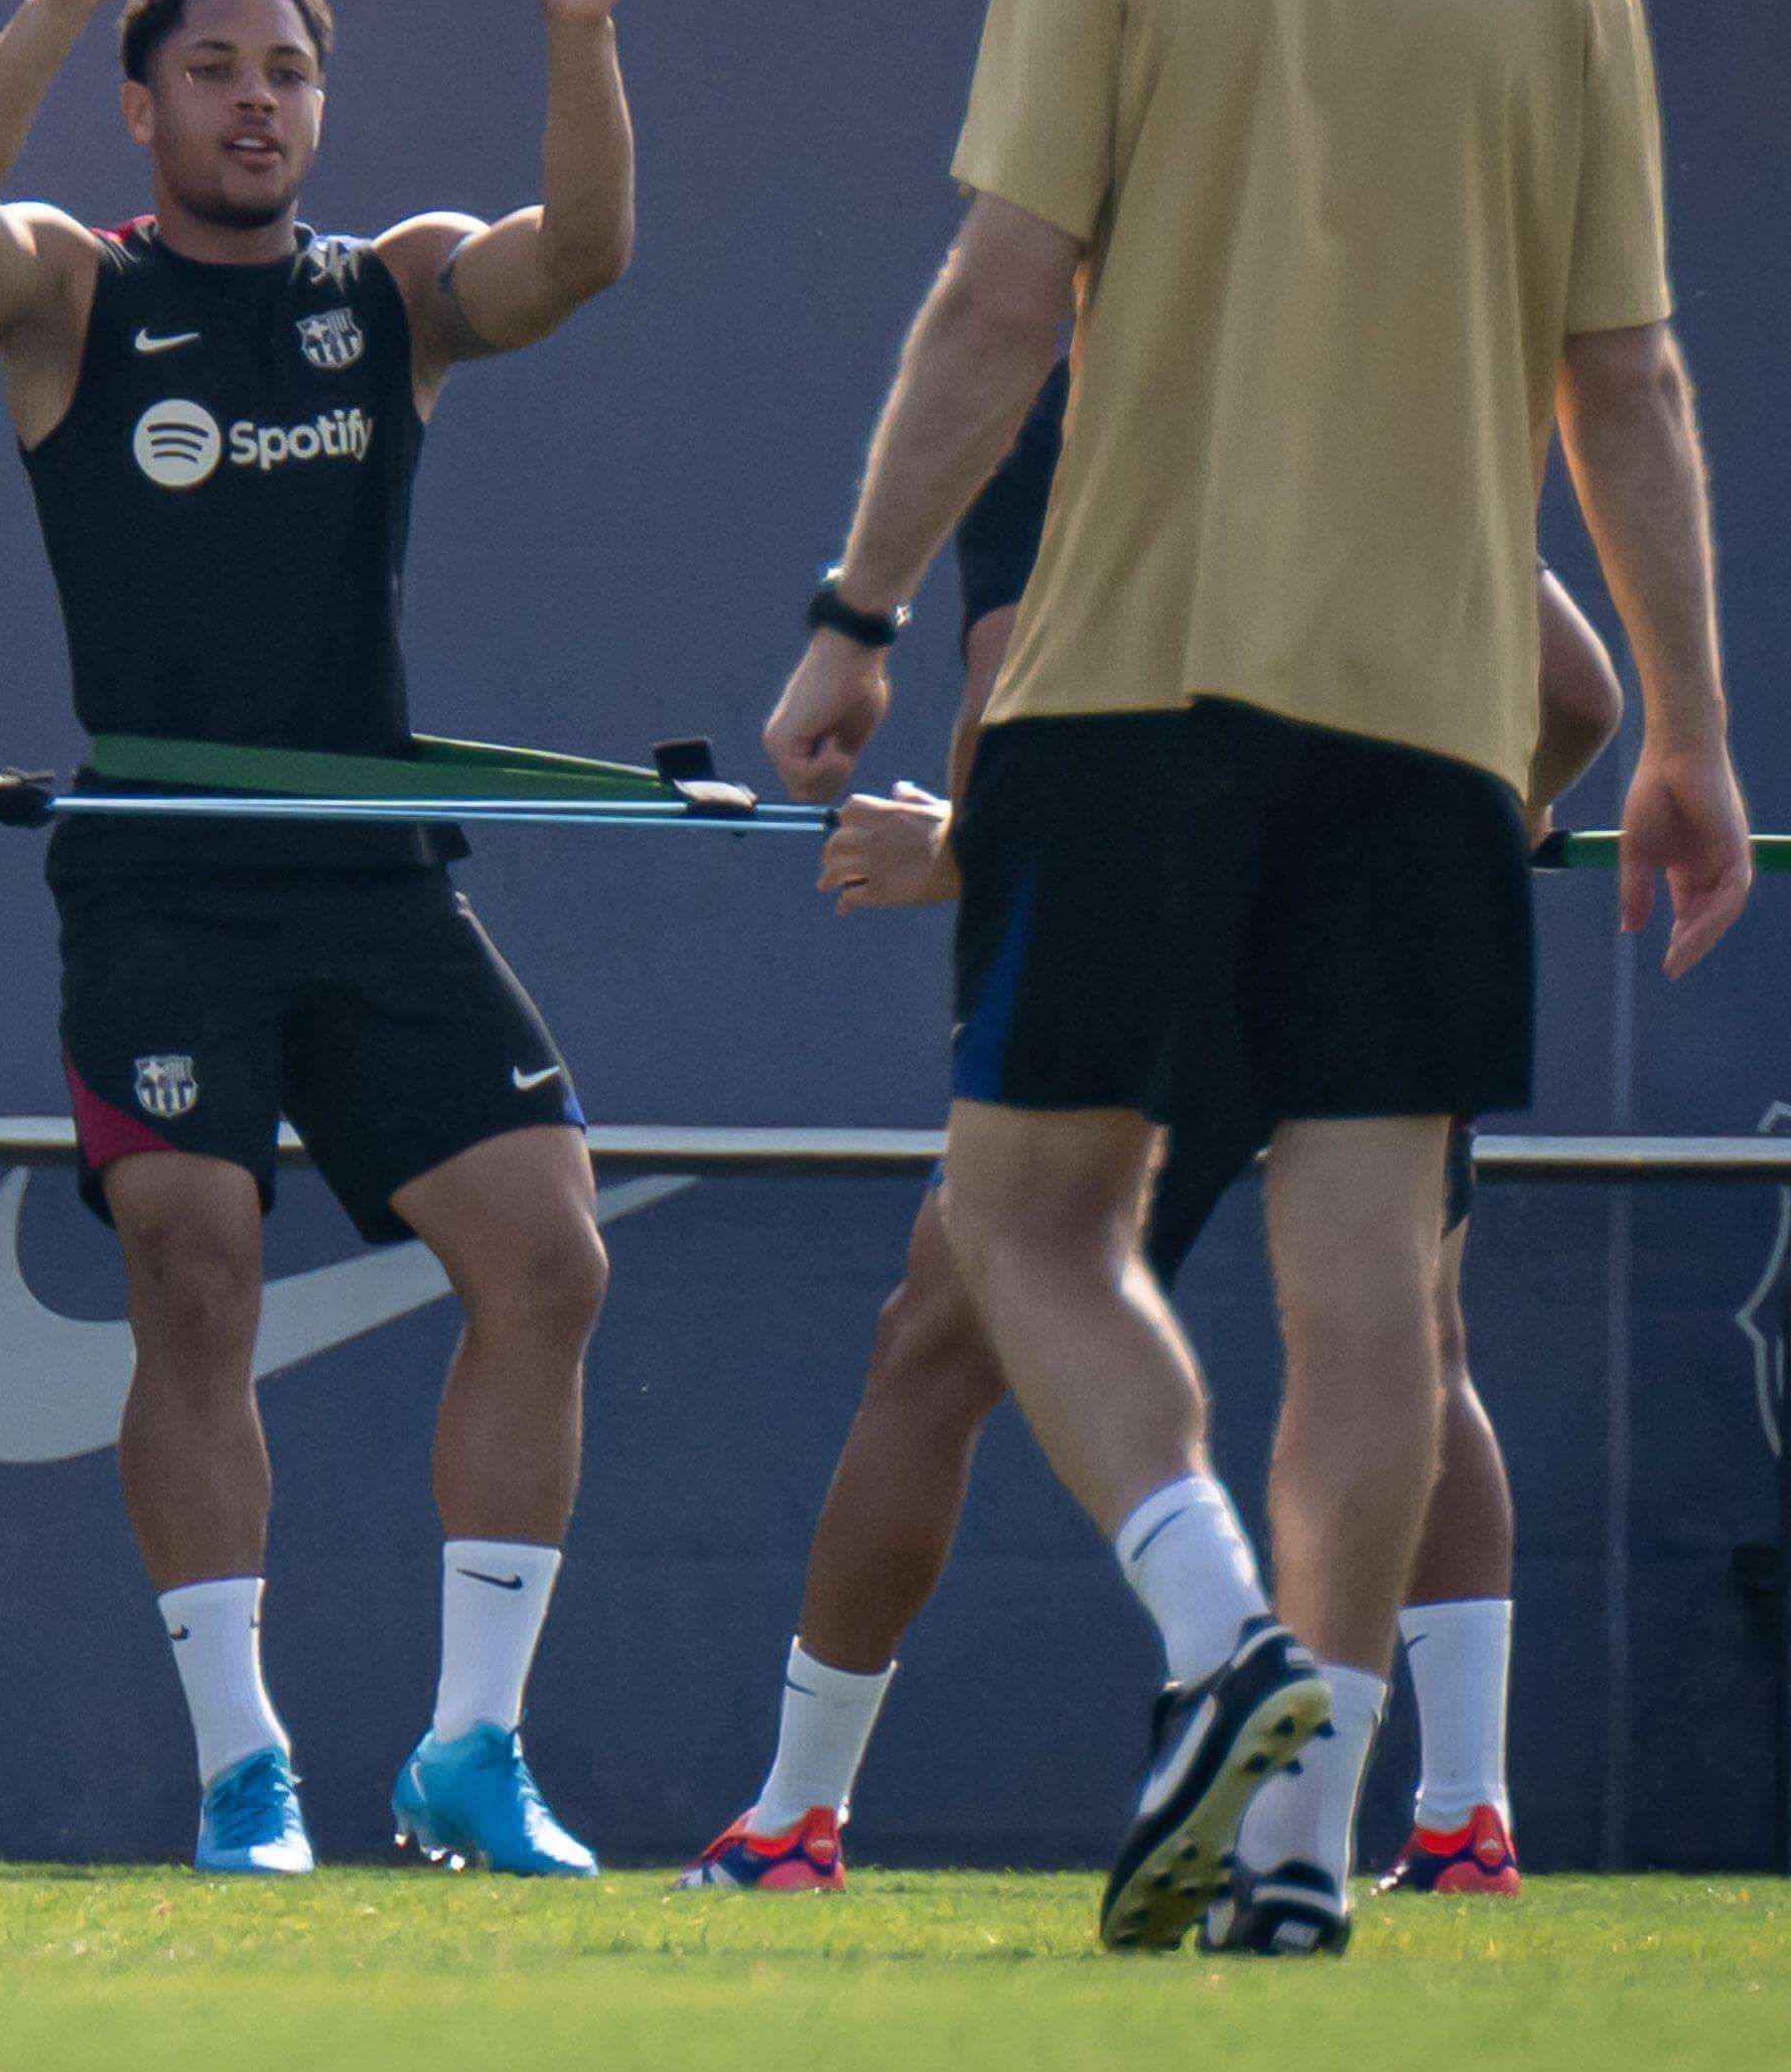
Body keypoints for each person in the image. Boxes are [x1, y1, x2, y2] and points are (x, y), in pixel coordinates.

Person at [756, 0, 1752, 1955]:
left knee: (1022, 1226)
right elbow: (1622, 384)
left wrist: (853, 614)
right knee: (1368, 1295)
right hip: (1424, 737)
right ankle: (1296, 1851)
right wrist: (1690, 737)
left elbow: (996, 298)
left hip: (1124, 701)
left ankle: (1216, 1640)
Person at [0, 0, 633, 1877]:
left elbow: (580, 255)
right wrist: (59, 2)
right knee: (195, 1280)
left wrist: (579, 24)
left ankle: (470, 1751)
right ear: (141, 107)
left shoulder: (390, 292)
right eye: (211, 67)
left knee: (548, 1261)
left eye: (288, 72)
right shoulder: (73, 292)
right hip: (162, 877)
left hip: (372, 872)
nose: (255, 100)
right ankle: (244, 1772)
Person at [682, 354, 1622, 1901]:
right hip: (1385, 921)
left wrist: (955, 850)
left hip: (1150, 931)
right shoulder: (1385, 367)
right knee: (1405, 1344)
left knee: (950, 1329)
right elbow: (1578, 695)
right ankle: (1454, 1819)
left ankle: (801, 1815)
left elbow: (1011, 701)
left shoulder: (1058, 383)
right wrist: (1482, 807)